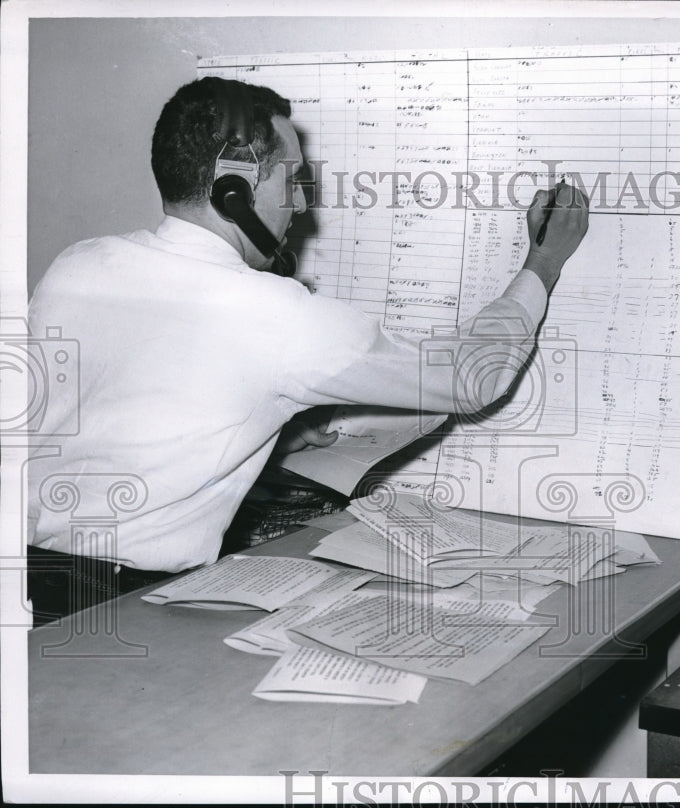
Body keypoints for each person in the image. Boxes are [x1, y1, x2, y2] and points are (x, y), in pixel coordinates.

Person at [25, 76, 589, 625]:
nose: (300, 205)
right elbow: (471, 377)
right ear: (234, 189)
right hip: (123, 605)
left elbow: (126, 405)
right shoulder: (275, 314)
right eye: (292, 180)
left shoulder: (79, 264)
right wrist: (542, 263)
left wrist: (263, 428)